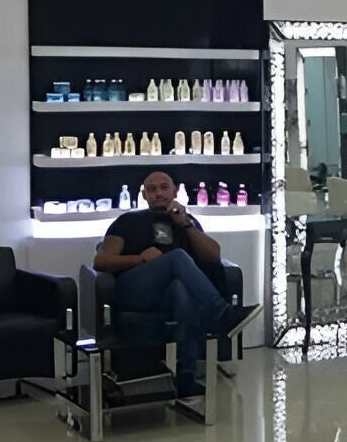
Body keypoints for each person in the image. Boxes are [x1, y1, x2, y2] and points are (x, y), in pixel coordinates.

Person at [94, 170, 255, 397]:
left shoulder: (185, 222)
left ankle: (186, 377)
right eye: (152, 189)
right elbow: (101, 261)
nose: (158, 193)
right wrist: (139, 259)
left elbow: (213, 256)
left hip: (166, 295)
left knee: (183, 291)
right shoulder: (127, 221)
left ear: (175, 191)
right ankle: (221, 314)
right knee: (177, 257)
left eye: (164, 187)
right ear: (144, 194)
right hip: (134, 289)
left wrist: (186, 224)